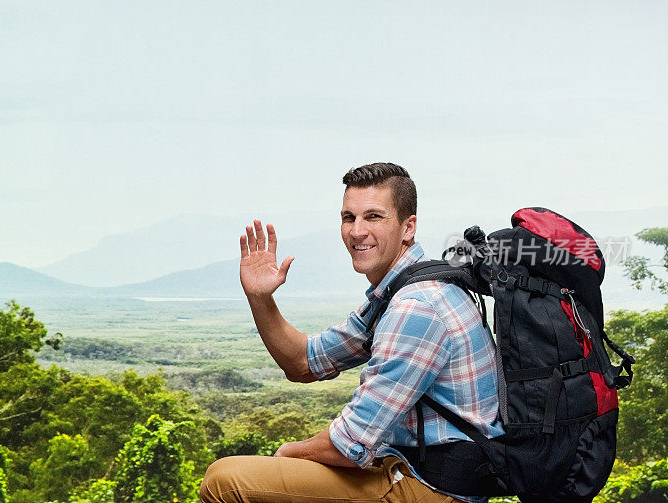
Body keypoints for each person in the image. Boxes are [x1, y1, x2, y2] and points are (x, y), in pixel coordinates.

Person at [200, 163, 504, 503]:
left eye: (373, 217)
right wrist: (260, 297)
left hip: (430, 490)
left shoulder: (416, 308)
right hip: (407, 470)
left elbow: (352, 443)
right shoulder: (399, 293)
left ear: (408, 227)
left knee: (225, 481)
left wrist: (287, 454)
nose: (357, 231)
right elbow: (302, 361)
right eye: (349, 217)